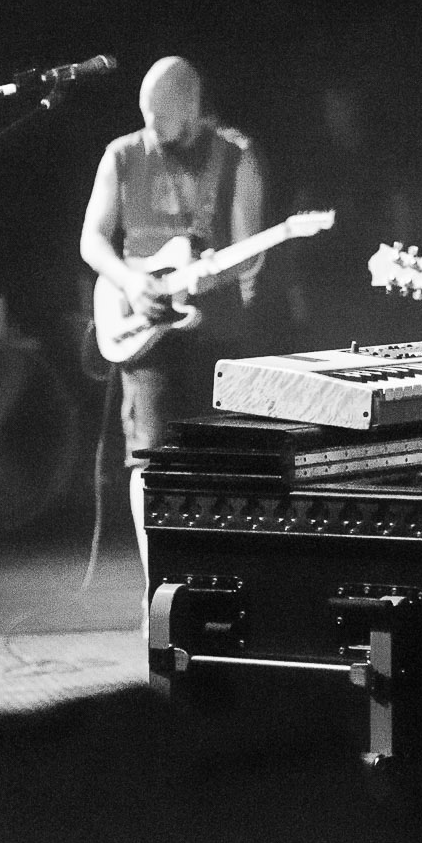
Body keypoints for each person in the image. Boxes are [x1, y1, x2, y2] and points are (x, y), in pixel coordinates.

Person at [81, 58, 265, 618]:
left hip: (217, 336)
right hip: (147, 332)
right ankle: (159, 593)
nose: (152, 127)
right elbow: (92, 240)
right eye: (146, 115)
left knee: (221, 465)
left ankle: (219, 591)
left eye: (162, 116)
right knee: (150, 461)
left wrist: (218, 274)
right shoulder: (122, 154)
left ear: (193, 106)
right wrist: (130, 281)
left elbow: (249, 252)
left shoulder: (235, 155)